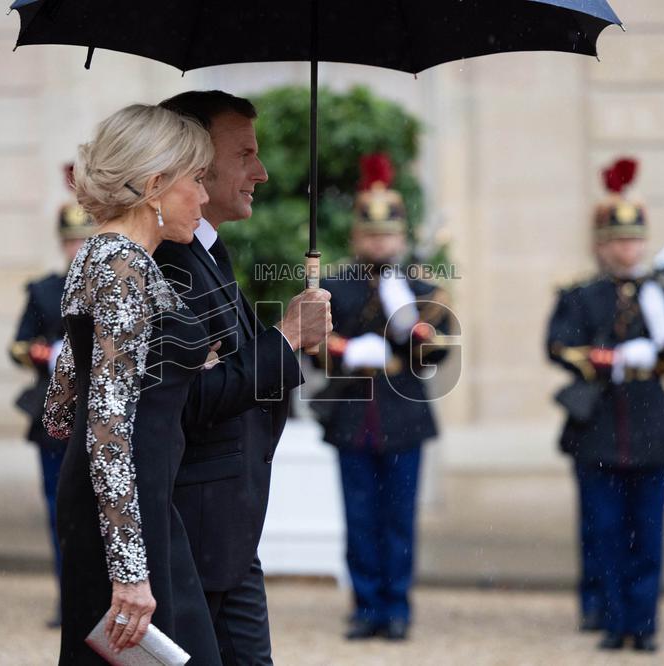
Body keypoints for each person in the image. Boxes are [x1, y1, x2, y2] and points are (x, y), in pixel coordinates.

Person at [155, 90, 333, 665]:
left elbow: (229, 371)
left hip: (227, 524)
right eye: (246, 154)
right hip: (197, 525)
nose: (260, 171)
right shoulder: (168, 261)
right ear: (196, 162)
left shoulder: (207, 251)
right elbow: (189, 399)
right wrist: (284, 337)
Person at [43, 104, 222, 664]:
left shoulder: (101, 255)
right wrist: (129, 574)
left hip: (127, 497)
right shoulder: (123, 265)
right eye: (197, 179)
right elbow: (107, 424)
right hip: (128, 511)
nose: (205, 196)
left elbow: (60, 410)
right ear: (154, 186)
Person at [546, 157, 664, 653]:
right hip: (599, 427)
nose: (627, 249)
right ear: (602, 244)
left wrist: (662, 338)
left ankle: (644, 624)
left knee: (647, 538)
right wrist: (618, 358)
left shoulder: (662, 295)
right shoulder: (582, 295)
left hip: (650, 425)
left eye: (634, 241)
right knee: (605, 533)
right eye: (618, 241)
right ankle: (611, 618)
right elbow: (559, 346)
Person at [313, 154, 453, 642]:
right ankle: (365, 605)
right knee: (359, 517)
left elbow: (436, 350)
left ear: (402, 235)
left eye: (387, 235)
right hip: (352, 411)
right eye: (371, 235)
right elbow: (315, 348)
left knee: (398, 518)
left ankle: (397, 608)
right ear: (356, 236)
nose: (379, 243)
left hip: (403, 413)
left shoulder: (421, 286)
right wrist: (350, 350)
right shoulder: (333, 285)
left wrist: (410, 320)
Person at [10, 195, 96, 628]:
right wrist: (48, 354)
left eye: (85, 240)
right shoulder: (45, 291)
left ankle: (97, 599)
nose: (77, 249)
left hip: (99, 416)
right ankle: (68, 599)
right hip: (52, 416)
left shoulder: (107, 289)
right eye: (71, 242)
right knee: (59, 510)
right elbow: (19, 345)